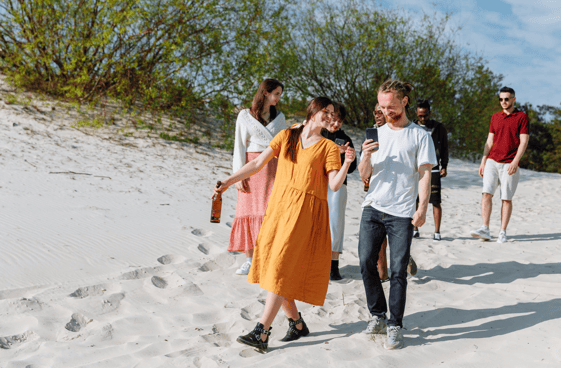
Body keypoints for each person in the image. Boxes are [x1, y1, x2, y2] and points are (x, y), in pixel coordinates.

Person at [213, 97, 356, 352]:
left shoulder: (329, 148)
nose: (330, 116)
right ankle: (297, 323)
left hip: (305, 213)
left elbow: (334, 185)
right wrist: (228, 181)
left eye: (333, 113)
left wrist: (346, 163)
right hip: (278, 208)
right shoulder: (287, 135)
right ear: (313, 111)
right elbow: (257, 163)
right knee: (274, 265)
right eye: (326, 111)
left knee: (280, 265)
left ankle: (262, 331)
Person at [358, 79, 437, 350]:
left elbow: (426, 175)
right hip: (373, 207)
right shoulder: (374, 134)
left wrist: (423, 207)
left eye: (391, 106)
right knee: (366, 262)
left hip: (402, 212)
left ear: (404, 102)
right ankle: (378, 316)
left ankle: (395, 325)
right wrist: (365, 156)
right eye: (381, 106)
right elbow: (364, 176)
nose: (386, 111)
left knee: (398, 271)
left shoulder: (420, 136)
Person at [229, 79, 286, 275]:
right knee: (247, 211)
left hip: (274, 167)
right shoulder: (244, 116)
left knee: (270, 212)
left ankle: (268, 258)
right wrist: (238, 175)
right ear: (265, 93)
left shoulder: (280, 117)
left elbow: (284, 146)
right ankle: (250, 259)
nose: (279, 98)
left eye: (280, 94)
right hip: (251, 167)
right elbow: (239, 146)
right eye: (276, 94)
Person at [470, 86, 529, 243]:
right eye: (501, 99)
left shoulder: (521, 117)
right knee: (486, 194)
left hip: (510, 163)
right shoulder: (495, 117)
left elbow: (524, 141)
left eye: (506, 99)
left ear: (513, 100)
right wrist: (483, 160)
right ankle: (485, 228)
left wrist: (516, 161)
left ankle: (502, 232)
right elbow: (489, 141)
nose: (503, 102)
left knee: (506, 198)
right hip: (492, 161)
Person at [321, 103, 357, 280]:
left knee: (336, 224)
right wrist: (334, 150)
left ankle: (333, 265)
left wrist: (349, 158)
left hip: (339, 186)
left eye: (339, 121)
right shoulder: (317, 133)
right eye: (334, 120)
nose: (336, 124)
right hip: (318, 183)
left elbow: (351, 170)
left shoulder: (345, 137)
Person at [413, 99, 449, 241]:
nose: (423, 118)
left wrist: (444, 165)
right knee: (415, 199)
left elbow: (445, 148)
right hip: (415, 169)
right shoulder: (411, 127)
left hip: (433, 168)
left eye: (426, 115)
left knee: (435, 200)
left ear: (430, 113)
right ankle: (415, 229)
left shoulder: (439, 127)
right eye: (420, 116)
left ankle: (437, 231)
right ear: (417, 113)